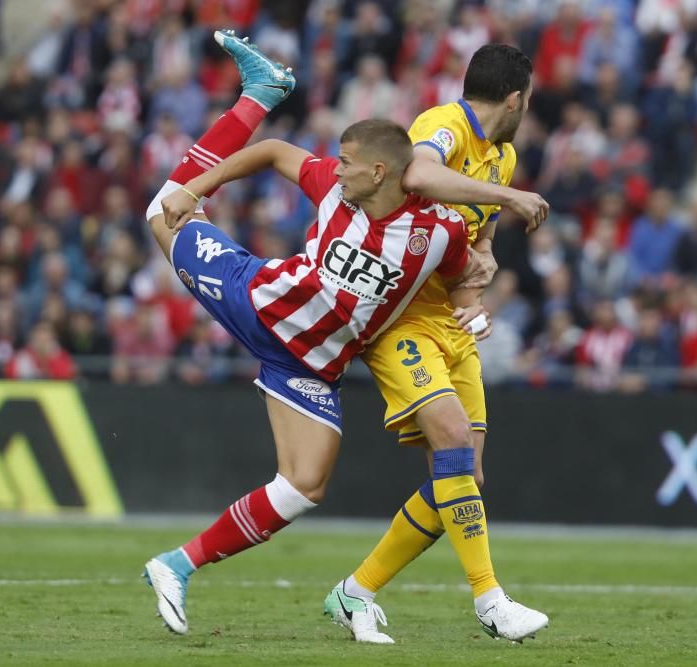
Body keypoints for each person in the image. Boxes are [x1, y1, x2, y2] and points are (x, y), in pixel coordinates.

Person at [142, 30, 549, 639]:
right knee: (161, 211)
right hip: (255, 302)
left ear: (379, 170)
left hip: (311, 366)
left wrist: (476, 301)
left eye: (349, 161)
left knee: (303, 487)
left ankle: (176, 565)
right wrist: (201, 188)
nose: (339, 168)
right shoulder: (337, 188)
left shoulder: (438, 233)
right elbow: (277, 151)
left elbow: (469, 271)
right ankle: (257, 94)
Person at [323, 43, 550, 644]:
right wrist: (510, 196)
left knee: (464, 478)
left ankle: (356, 591)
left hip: (449, 322)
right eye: (529, 98)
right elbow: (418, 173)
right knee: (451, 441)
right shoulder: (443, 126)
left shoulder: (503, 156)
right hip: (399, 318)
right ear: (516, 97)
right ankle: (490, 600)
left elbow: (480, 246)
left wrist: (479, 285)